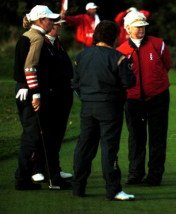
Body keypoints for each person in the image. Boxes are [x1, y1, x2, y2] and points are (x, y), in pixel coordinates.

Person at [72, 20, 136, 200]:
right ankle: (113, 189)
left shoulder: (81, 55)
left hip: (88, 107)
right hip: (110, 107)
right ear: (114, 37)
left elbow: (75, 83)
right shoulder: (118, 57)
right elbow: (129, 82)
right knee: (109, 148)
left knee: (84, 146)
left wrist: (86, 96)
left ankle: (78, 187)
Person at [117, 11, 172, 186]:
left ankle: (155, 176)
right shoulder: (120, 50)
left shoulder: (159, 44)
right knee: (136, 137)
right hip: (132, 100)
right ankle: (135, 174)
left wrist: (154, 84)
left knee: (157, 137)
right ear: (127, 28)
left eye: (143, 26)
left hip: (158, 97)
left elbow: (166, 65)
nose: (141, 29)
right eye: (137, 26)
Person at [13, 5, 59, 190]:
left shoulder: (27, 36)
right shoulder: (37, 38)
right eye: (50, 19)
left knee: (31, 134)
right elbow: (30, 68)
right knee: (31, 136)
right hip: (30, 92)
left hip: (23, 89)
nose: (53, 22)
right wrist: (36, 94)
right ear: (41, 20)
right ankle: (22, 178)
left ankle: (24, 175)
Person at [30, 18, 74, 188]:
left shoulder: (57, 43)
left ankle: (53, 168)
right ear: (48, 26)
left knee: (57, 134)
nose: (60, 27)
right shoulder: (41, 43)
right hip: (49, 96)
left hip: (63, 95)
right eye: (57, 24)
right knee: (47, 135)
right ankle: (42, 170)